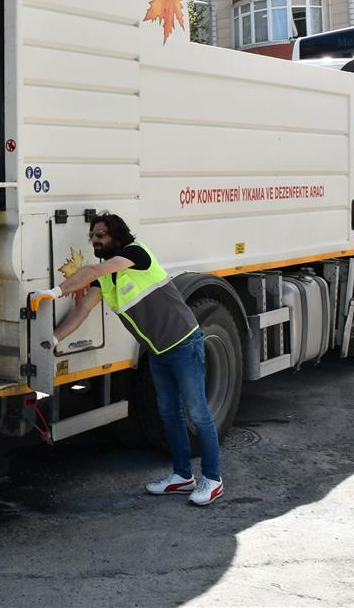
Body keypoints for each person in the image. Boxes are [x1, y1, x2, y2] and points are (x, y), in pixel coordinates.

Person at [48, 213, 223, 507]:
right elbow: (81, 312)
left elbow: (93, 269)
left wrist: (55, 291)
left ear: (116, 236)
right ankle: (182, 476)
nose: (95, 240)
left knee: (198, 413)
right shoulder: (107, 280)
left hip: (183, 344)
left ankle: (213, 479)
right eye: (92, 236)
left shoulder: (135, 253)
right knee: (168, 413)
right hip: (157, 351)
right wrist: (53, 338)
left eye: (100, 235)